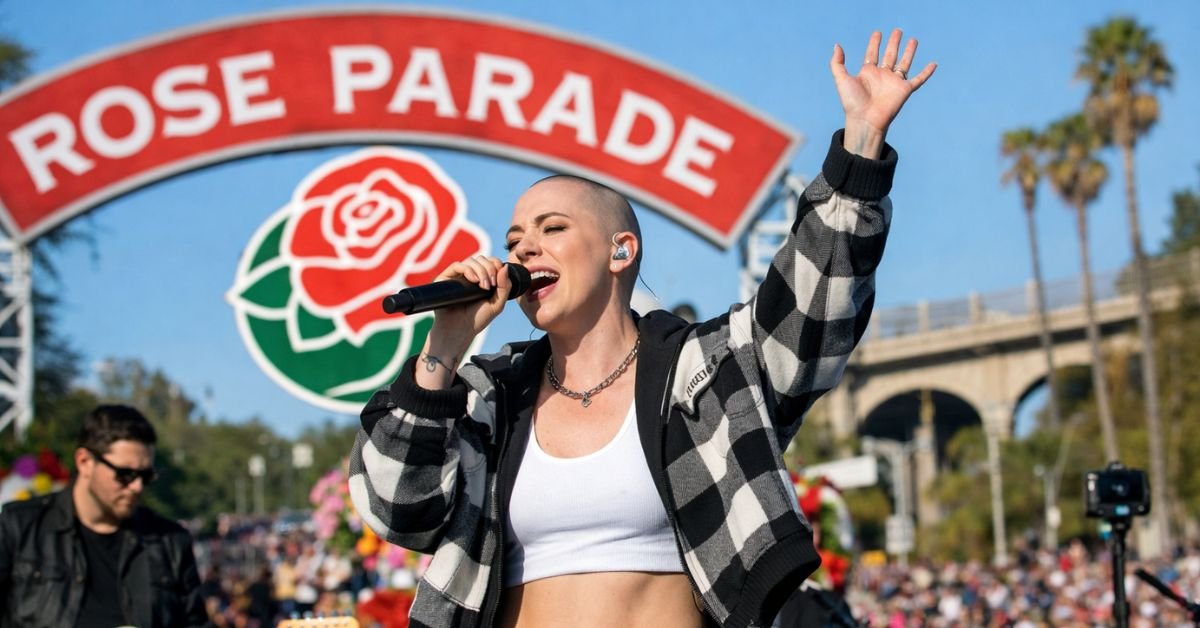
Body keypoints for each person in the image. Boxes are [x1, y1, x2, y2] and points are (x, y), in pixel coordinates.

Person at [349, 29, 935, 628]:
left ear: (620, 251)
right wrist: (444, 346)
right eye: (514, 241)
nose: (524, 248)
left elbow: (809, 312)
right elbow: (398, 506)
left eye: (551, 229)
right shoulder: (489, 397)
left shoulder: (706, 373)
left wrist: (861, 147)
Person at [0, 404, 209, 627]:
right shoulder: (19, 528)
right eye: (125, 474)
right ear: (85, 462)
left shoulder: (170, 543)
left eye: (146, 475)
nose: (137, 486)